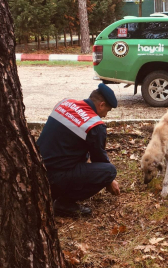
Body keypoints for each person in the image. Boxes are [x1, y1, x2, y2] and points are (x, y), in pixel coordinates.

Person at [37, 83, 120, 217]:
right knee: (109, 171)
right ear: (101, 105)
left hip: (36, 167)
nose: (105, 115)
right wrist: (109, 180)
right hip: (55, 178)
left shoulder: (65, 103)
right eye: (107, 111)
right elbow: (99, 159)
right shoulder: (95, 125)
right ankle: (64, 203)